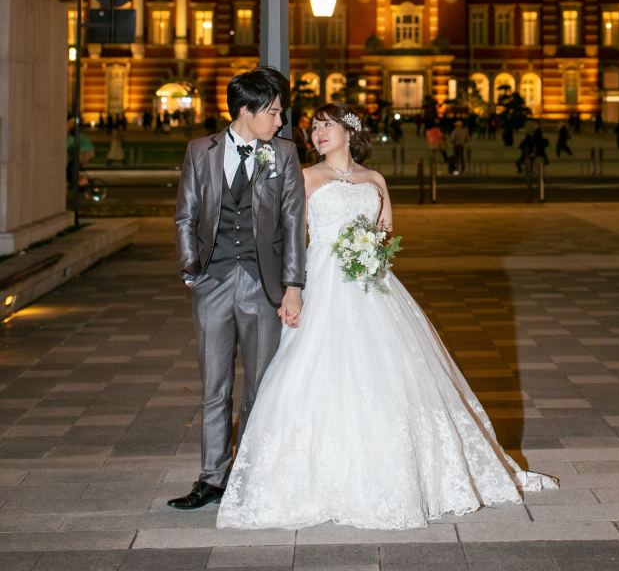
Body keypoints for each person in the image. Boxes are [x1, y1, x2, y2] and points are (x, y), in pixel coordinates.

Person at [216, 102, 558, 530]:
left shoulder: (374, 179)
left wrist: (370, 250)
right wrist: (293, 290)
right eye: (314, 127)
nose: (317, 133)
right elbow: (290, 240)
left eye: (327, 125)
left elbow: (385, 231)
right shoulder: (305, 177)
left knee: (390, 371)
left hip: (371, 285)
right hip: (322, 283)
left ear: (350, 131)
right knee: (315, 369)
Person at [168, 67, 306, 511]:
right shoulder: (200, 151)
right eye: (273, 111)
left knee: (260, 388)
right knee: (214, 386)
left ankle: (247, 475)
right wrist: (192, 271)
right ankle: (211, 478)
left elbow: (292, 225)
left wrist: (292, 286)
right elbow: (186, 215)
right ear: (246, 111)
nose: (280, 120)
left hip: (262, 286)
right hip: (213, 283)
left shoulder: (283, 153)